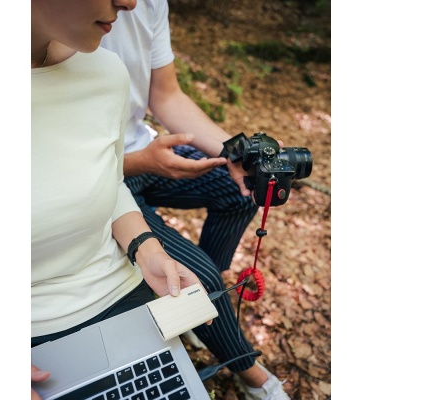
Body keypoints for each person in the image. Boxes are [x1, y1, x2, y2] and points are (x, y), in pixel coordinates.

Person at [100, 1, 290, 398]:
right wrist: (139, 163)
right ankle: (247, 370)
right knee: (197, 278)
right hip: (105, 178)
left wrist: (233, 152)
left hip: (147, 151)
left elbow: (166, 95)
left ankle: (207, 314)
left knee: (238, 193)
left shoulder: (149, 5)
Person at [31, 0, 206, 399]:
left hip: (119, 295)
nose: (129, 2)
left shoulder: (105, 72)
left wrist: (147, 251)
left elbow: (107, 180)